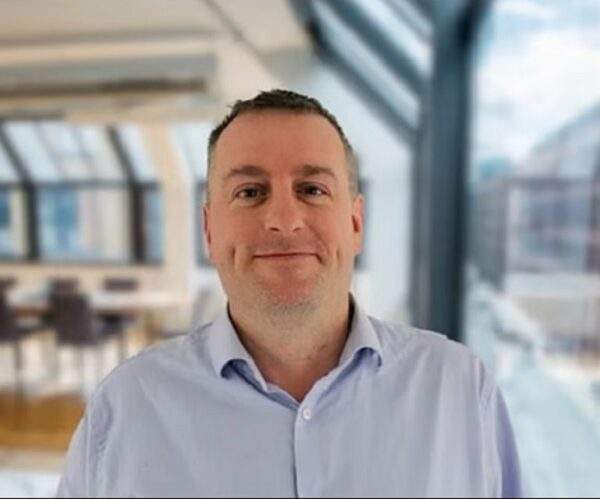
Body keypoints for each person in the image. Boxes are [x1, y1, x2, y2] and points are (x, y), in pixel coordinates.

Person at [57, 89, 522, 498]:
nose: (284, 219)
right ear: (210, 230)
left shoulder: (460, 391)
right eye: (250, 192)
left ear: (355, 223)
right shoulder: (127, 407)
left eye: (312, 189)